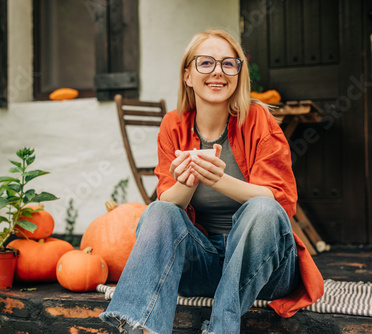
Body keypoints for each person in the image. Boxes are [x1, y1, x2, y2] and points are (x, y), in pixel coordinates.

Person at [99, 29, 324, 334]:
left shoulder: (257, 119)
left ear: (238, 74)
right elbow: (168, 202)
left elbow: (281, 203)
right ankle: (142, 328)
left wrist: (219, 180)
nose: (218, 71)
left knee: (263, 209)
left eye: (228, 64)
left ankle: (221, 328)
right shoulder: (173, 124)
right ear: (188, 74)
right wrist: (188, 181)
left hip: (264, 271)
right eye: (205, 63)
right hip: (203, 265)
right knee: (157, 212)